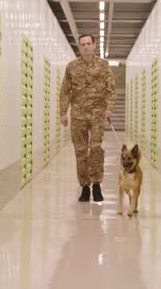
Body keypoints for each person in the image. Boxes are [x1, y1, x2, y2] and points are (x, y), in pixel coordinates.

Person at [60, 34, 116, 202]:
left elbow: (111, 89)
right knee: (80, 151)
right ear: (79, 46)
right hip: (78, 114)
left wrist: (109, 108)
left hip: (98, 114)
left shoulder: (103, 65)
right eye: (82, 44)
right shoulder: (71, 67)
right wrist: (63, 112)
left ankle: (97, 184)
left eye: (88, 43)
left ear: (94, 45)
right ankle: (85, 186)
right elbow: (65, 90)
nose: (85, 47)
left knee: (96, 148)